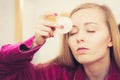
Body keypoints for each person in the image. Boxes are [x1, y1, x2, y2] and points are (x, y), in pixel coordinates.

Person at [0, 3, 120, 80]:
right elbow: (5, 72)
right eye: (72, 32)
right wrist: (34, 42)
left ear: (111, 39)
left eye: (90, 30)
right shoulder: (55, 74)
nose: (79, 38)